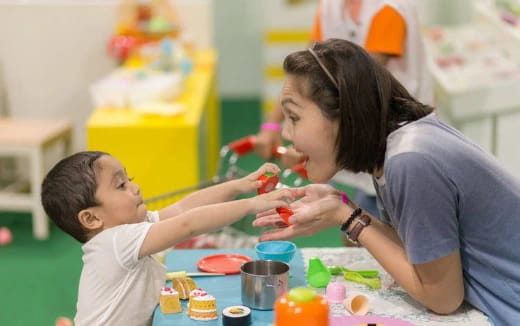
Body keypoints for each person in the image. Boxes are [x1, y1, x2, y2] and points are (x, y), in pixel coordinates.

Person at [253, 39, 520, 325]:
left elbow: (443, 297)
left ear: (345, 114)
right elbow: (421, 254)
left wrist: (349, 217)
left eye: (294, 117)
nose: (287, 134)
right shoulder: (399, 146)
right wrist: (341, 209)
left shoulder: (411, 160)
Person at [41, 151, 292, 326]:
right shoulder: (115, 242)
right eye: (120, 186)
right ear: (92, 219)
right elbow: (187, 224)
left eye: (130, 179)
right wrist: (252, 204)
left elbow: (183, 209)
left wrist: (238, 186)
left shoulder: (130, 230)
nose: (134, 187)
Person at [255, 0, 432, 217]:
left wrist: (308, 143)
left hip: (395, 139)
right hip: (367, 138)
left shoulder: (389, 9)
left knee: (386, 228)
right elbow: (304, 78)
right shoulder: (331, 7)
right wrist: (272, 125)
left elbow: (354, 88)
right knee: (361, 221)